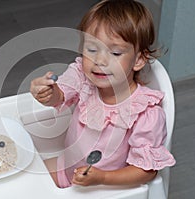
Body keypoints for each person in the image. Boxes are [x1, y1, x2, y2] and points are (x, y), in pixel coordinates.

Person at [30, 0, 175, 188]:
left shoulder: (145, 114)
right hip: (66, 167)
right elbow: (61, 95)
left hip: (105, 188)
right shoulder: (82, 77)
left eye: (115, 53)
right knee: (27, 179)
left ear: (138, 60)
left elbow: (145, 171)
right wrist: (49, 93)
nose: (99, 60)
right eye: (92, 50)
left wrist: (102, 178)